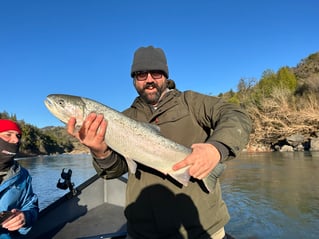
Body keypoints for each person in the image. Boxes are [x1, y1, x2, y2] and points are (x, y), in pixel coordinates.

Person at [67, 46, 252, 239]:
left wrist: (216, 149)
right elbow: (113, 170)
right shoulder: (124, 118)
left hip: (200, 231)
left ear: (165, 75)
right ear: (133, 79)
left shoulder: (192, 102)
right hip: (142, 233)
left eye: (155, 73)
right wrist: (100, 152)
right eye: (140, 74)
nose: (149, 80)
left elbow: (237, 115)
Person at [0, 119, 39, 238]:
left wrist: (24, 217)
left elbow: (31, 206)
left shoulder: (23, 175)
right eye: (8, 135)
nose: (16, 140)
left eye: (18, 136)